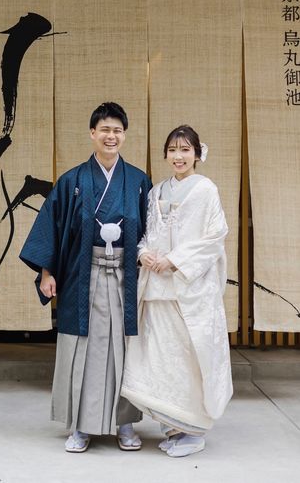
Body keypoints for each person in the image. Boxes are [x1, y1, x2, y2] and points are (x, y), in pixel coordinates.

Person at [20, 102, 151, 453]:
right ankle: (80, 425)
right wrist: (47, 272)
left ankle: (125, 422)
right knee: (84, 349)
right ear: (92, 133)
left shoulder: (138, 181)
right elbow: (51, 225)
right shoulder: (72, 181)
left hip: (126, 276)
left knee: (124, 347)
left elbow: (151, 233)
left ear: (124, 135)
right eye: (105, 129)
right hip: (84, 274)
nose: (111, 136)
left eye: (117, 130)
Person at [121, 125, 233, 458]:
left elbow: (215, 236)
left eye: (185, 150)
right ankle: (172, 427)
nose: (178, 156)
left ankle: (194, 431)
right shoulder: (156, 190)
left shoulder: (206, 189)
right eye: (172, 150)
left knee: (188, 359)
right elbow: (147, 233)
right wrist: (143, 253)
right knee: (161, 360)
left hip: (189, 289)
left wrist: (175, 260)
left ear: (197, 154)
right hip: (156, 289)